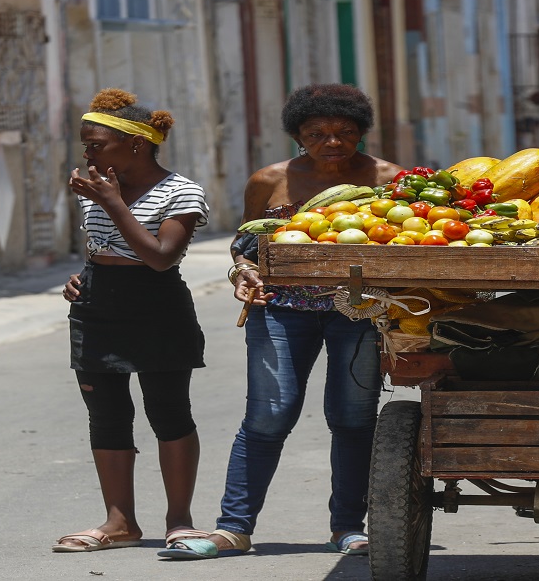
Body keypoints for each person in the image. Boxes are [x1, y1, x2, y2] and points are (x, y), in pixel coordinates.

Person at [159, 84, 405, 560]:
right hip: (279, 308)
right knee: (268, 416)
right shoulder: (269, 180)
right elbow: (244, 245)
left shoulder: (389, 178)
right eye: (316, 134)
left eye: (344, 132)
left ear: (361, 132)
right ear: (297, 135)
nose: (332, 142)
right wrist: (243, 273)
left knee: (353, 419)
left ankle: (348, 527)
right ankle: (233, 528)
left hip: (359, 313)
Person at [54, 89, 210, 552]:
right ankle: (119, 523)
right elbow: (104, 248)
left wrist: (113, 202)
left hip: (158, 308)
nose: (87, 154)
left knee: (168, 412)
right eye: (85, 146)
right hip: (97, 308)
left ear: (136, 144)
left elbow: (160, 258)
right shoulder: (99, 186)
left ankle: (179, 520)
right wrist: (81, 277)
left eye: (96, 145)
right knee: (106, 416)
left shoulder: (181, 191)